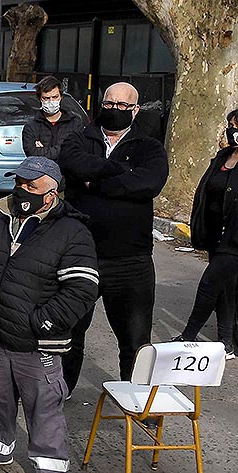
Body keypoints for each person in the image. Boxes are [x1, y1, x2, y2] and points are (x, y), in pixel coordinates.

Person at [0, 157, 99, 473]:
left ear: (51, 194)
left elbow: (82, 289)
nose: (21, 191)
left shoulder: (72, 232)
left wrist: (41, 322)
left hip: (38, 343)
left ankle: (51, 470)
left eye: (31, 186)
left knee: (43, 408)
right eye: (19, 183)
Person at [58, 81, 169, 391]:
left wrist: (95, 182)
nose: (114, 110)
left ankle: (133, 397)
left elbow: (149, 183)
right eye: (109, 103)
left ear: (135, 110)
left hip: (130, 261)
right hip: (81, 255)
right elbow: (73, 163)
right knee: (68, 330)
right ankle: (60, 390)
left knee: (135, 340)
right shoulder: (80, 138)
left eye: (122, 105)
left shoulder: (149, 147)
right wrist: (122, 172)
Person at [173, 105, 238, 358]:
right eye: (231, 126)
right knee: (225, 287)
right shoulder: (224, 156)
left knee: (210, 282)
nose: (234, 131)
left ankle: (188, 336)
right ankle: (225, 342)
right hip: (217, 235)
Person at [22, 75, 86, 160]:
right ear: (40, 99)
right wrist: (63, 149)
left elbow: (78, 151)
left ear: (61, 97)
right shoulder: (31, 127)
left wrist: (42, 150)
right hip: (41, 168)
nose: (51, 101)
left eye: (55, 97)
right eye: (46, 98)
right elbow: (32, 153)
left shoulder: (75, 123)